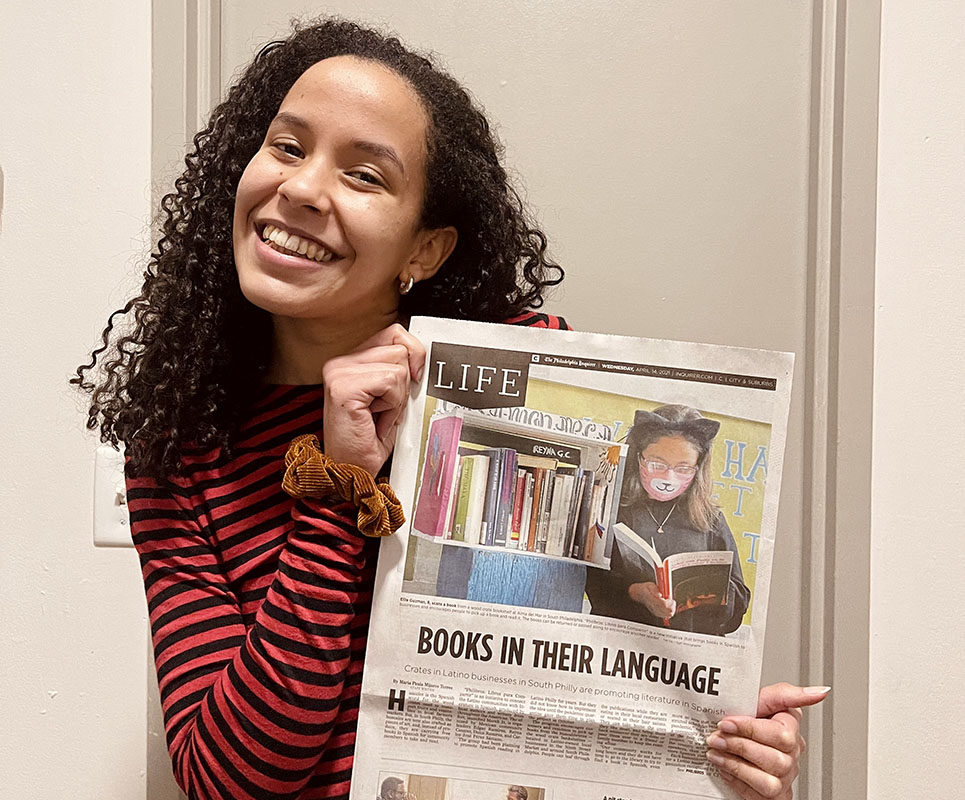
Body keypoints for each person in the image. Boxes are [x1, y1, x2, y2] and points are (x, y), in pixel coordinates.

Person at [74, 17, 825, 800]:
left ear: (423, 250)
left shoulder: (523, 366)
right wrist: (339, 486)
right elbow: (229, 780)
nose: (300, 188)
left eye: (364, 176)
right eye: (288, 148)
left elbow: (599, 648)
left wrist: (715, 735)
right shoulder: (180, 450)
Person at [586, 405, 750, 634]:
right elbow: (593, 585)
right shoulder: (611, 506)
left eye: (683, 468)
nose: (668, 477)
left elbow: (738, 608)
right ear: (638, 457)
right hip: (621, 644)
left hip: (686, 654)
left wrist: (708, 591)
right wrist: (637, 593)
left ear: (698, 468)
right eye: (657, 464)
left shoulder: (710, 519)